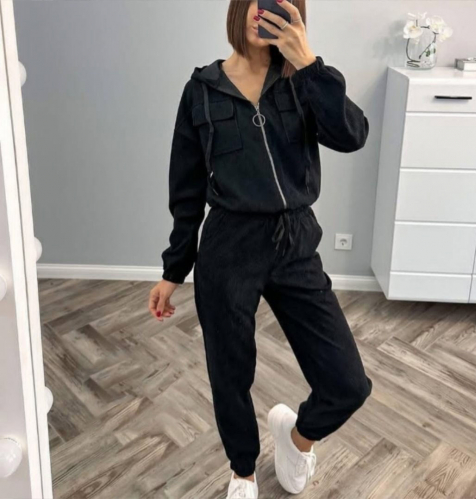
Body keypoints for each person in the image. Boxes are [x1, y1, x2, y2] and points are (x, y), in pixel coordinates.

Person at [149, 0, 372, 497]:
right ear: (238, 8)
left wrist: (308, 62)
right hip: (229, 246)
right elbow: (186, 188)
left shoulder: (305, 79)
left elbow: (353, 135)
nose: (261, 10)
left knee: (348, 384)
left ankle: (296, 439)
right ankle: (243, 472)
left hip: (295, 244)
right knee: (229, 373)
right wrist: (173, 269)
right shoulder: (202, 89)